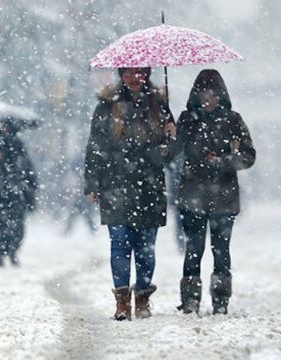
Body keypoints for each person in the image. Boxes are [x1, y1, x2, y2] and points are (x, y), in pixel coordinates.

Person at [84, 67, 177, 320]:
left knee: (146, 247)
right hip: (115, 184)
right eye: (128, 73)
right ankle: (122, 302)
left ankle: (143, 298)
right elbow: (95, 146)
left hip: (149, 187)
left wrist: (170, 139)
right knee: (120, 244)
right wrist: (92, 183)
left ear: (147, 74)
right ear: (121, 75)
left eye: (139, 73)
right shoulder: (106, 105)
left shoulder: (159, 105)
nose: (134, 78)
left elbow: (171, 155)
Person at [175, 69, 255, 315]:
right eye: (204, 94)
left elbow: (249, 156)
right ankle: (190, 300)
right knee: (193, 250)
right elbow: (174, 153)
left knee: (221, 251)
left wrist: (223, 161)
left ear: (220, 95)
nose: (208, 99)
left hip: (223, 198)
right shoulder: (187, 120)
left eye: (213, 94)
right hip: (193, 197)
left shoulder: (233, 120)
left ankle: (221, 300)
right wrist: (171, 135)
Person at [0, 127, 37, 267]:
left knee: (13, 227)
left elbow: (28, 173)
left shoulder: (17, 149)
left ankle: (10, 252)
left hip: (13, 196)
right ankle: (0, 254)